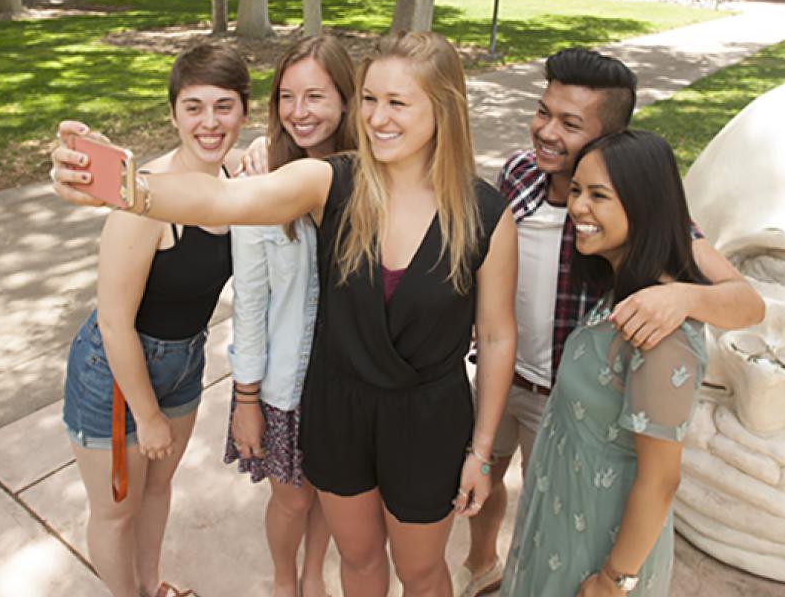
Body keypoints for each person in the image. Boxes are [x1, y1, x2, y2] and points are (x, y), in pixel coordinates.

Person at [52, 31, 518, 597]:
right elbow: (223, 199)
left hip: (427, 421)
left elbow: (497, 337)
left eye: (397, 102)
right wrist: (125, 186)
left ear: (443, 108)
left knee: (421, 573)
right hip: (339, 411)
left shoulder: (485, 214)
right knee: (358, 559)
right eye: (370, 100)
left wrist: (482, 451)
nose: (377, 118)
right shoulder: (333, 181)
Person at [455, 49, 764, 597]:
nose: (546, 132)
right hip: (506, 374)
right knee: (489, 479)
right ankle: (482, 568)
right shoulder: (519, 175)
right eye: (543, 111)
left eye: (570, 124)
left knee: (559, 507)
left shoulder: (633, 208)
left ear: (609, 140)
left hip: (575, 398)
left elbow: (747, 304)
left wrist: (681, 298)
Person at [60, 43, 248, 597]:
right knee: (116, 511)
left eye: (223, 106)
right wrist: (148, 415)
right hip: (115, 373)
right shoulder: (144, 200)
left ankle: (151, 585)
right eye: (193, 107)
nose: (209, 122)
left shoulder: (237, 175)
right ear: (173, 114)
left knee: (158, 489)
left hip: (185, 360)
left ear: (244, 110)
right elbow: (114, 323)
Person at [501, 129, 715, 596]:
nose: (578, 207)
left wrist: (614, 579)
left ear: (645, 205)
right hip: (562, 519)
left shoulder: (660, 332)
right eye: (577, 190)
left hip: (599, 546)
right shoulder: (622, 291)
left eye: (599, 195)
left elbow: (660, 479)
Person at [224, 35, 357, 597]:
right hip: (285, 384)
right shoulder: (261, 185)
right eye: (286, 96)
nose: (298, 112)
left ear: (346, 100)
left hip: (351, 381)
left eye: (315, 96)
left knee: (331, 492)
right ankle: (284, 579)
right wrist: (247, 399)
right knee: (292, 499)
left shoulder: (374, 178)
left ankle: (312, 572)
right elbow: (250, 303)